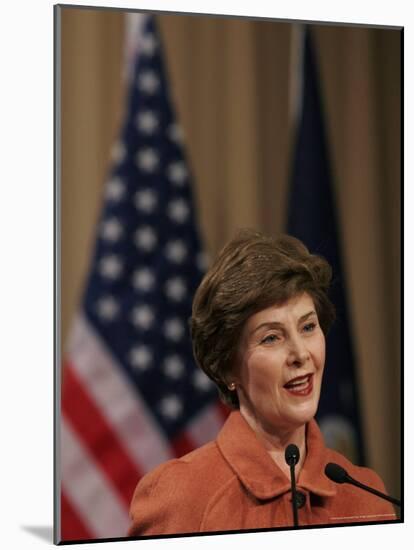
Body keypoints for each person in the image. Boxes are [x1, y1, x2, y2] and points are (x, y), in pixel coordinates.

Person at [128, 229, 397, 536]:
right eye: (271, 337)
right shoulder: (179, 498)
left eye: (308, 327)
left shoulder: (367, 498)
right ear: (228, 368)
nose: (300, 353)